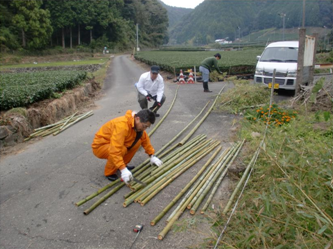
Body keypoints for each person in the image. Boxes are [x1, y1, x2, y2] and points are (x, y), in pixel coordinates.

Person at [91, 109, 163, 184]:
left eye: (146, 127)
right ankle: (109, 172)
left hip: (114, 144)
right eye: (144, 126)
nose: (144, 129)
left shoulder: (136, 125)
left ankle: (123, 164)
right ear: (137, 119)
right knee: (122, 150)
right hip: (100, 146)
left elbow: (145, 140)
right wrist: (123, 169)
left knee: (137, 142)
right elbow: (115, 150)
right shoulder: (122, 126)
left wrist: (152, 155)